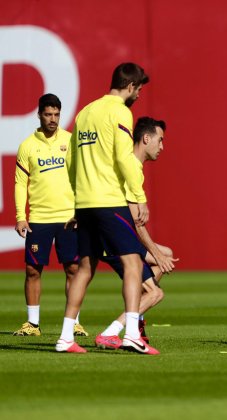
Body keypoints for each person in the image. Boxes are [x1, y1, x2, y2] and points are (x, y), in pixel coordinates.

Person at [56, 63, 158, 354]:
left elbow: (71, 162)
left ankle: (65, 337)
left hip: (85, 203)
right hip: (109, 200)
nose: (138, 94)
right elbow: (125, 159)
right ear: (130, 86)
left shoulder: (85, 112)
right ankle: (131, 335)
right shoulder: (120, 112)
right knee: (133, 264)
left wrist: (77, 200)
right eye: (139, 89)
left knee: (85, 269)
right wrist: (139, 197)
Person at [95, 117, 178, 350]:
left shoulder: (132, 166)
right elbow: (136, 223)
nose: (162, 147)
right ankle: (113, 331)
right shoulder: (130, 166)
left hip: (115, 234)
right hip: (114, 238)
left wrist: (159, 255)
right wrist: (155, 253)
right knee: (155, 293)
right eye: (160, 141)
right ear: (146, 138)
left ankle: (137, 320)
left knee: (166, 255)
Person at [12, 93, 88, 337]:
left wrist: (81, 210)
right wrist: (20, 216)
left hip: (68, 217)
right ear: (39, 114)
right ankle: (32, 324)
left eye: (56, 114)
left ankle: (74, 322)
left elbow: (81, 177)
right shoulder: (27, 146)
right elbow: (19, 183)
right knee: (33, 270)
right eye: (48, 114)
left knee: (73, 270)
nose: (53, 119)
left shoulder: (70, 140)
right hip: (39, 219)